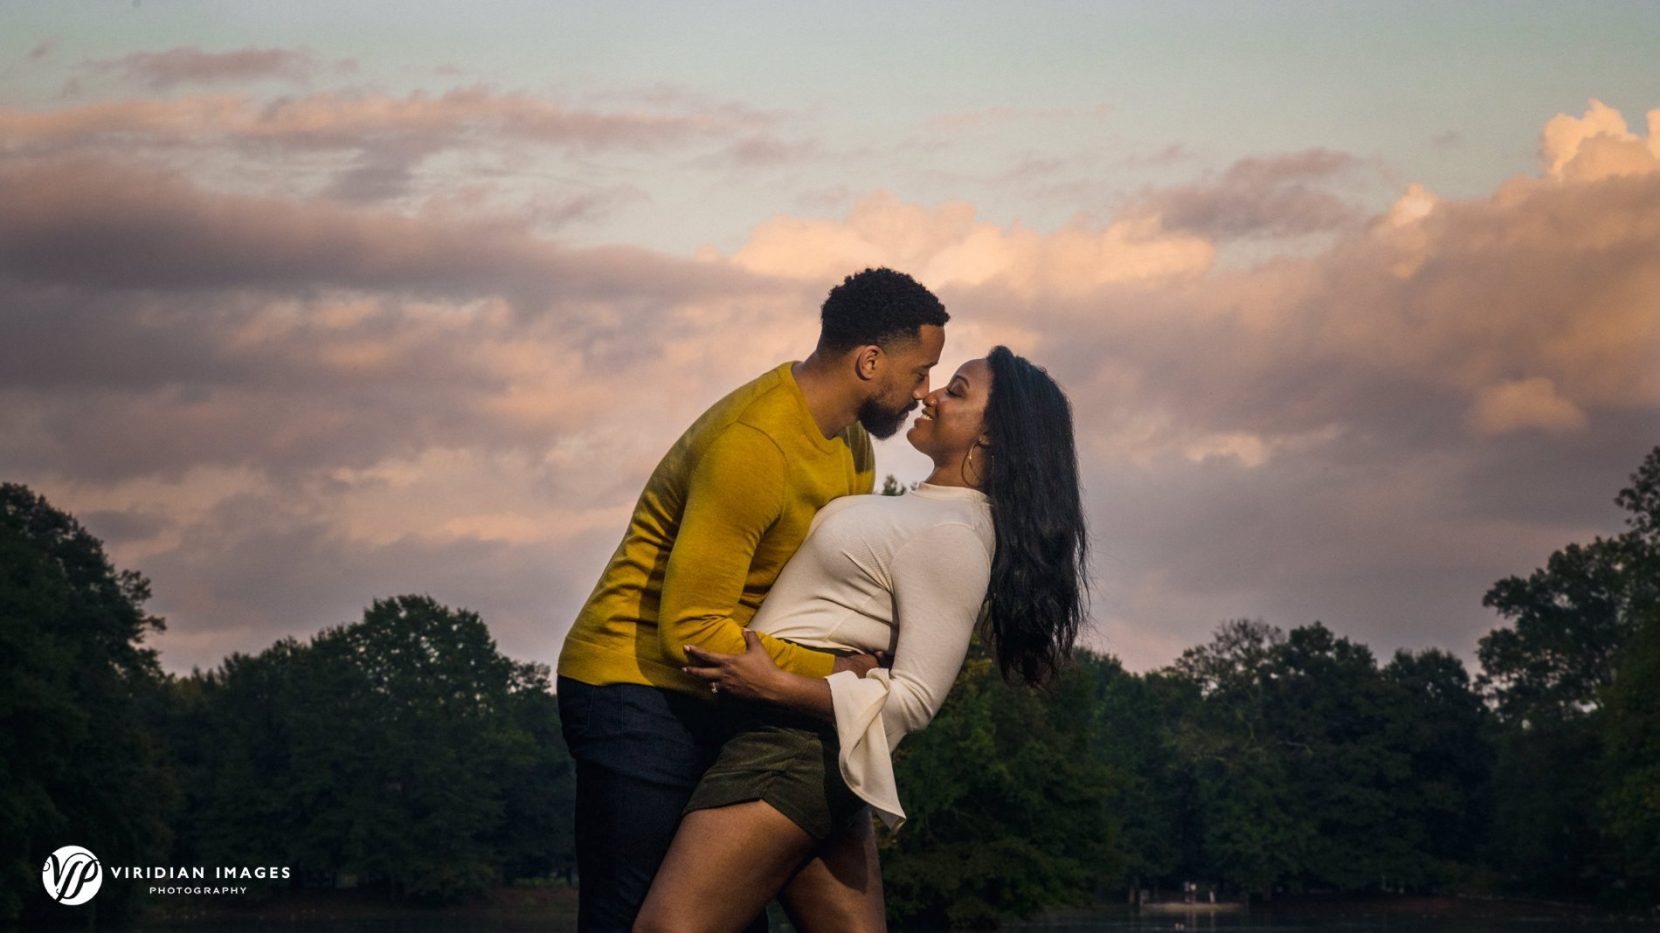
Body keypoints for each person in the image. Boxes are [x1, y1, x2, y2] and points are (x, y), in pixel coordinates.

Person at [634, 347, 1087, 933]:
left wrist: (777, 685)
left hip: (788, 751)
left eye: (955, 391)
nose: (929, 396)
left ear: (993, 435)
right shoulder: (926, 512)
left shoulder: (952, 536)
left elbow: (916, 700)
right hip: (814, 754)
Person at [555, 268, 949, 931]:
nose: (924, 392)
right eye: (919, 372)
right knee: (635, 920)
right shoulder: (756, 445)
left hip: (728, 693)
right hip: (635, 690)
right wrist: (836, 673)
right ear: (869, 361)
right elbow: (693, 631)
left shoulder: (849, 442)